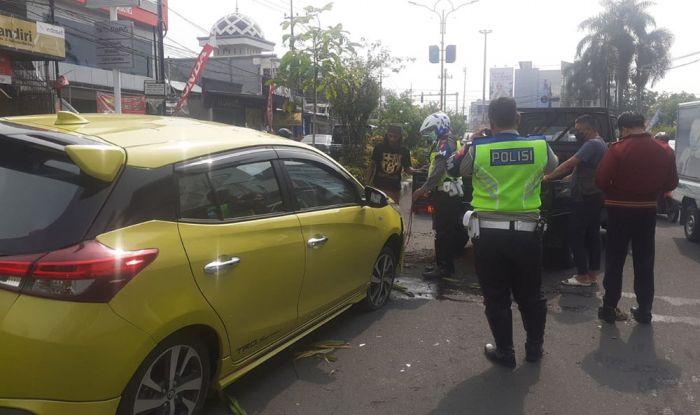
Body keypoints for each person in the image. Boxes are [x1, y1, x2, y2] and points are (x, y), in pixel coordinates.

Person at [458, 97, 558, 368]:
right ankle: (534, 349)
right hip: (527, 235)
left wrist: (476, 140)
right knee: (531, 294)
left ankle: (505, 352)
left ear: (491, 122)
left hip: (489, 236)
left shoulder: (478, 149)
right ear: (519, 119)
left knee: (496, 296)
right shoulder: (538, 146)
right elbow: (552, 167)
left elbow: (462, 170)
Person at [595, 112, 678, 324]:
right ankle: (644, 310)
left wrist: (617, 190)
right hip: (647, 211)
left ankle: (610, 307)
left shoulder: (617, 149)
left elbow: (601, 180)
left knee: (615, 260)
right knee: (644, 260)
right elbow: (671, 184)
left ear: (623, 129)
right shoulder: (665, 151)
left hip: (619, 211)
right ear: (642, 125)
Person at [543, 115, 607, 287]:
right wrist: (566, 180)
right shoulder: (601, 143)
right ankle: (592, 273)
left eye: (579, 130)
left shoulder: (591, 144)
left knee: (576, 234)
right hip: (594, 195)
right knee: (593, 234)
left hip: (585, 197)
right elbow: (580, 171)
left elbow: (569, 164)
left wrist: (547, 177)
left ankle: (582, 275)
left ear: (589, 128)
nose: (577, 133)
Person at [412, 112, 463, 279]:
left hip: (446, 195)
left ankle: (444, 269)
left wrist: (422, 189)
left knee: (443, 233)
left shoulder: (445, 142)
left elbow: (440, 169)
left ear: (441, 126)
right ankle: (443, 265)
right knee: (444, 232)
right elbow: (437, 164)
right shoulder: (447, 141)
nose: (431, 133)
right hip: (448, 194)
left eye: (433, 129)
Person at [367, 125, 417, 203]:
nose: (392, 139)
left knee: (393, 212)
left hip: (394, 190)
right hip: (378, 187)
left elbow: (407, 169)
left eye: (395, 136)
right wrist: (367, 184)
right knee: (377, 212)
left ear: (400, 137)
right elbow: (372, 166)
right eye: (390, 136)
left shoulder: (404, 151)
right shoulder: (379, 148)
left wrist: (418, 171)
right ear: (387, 135)